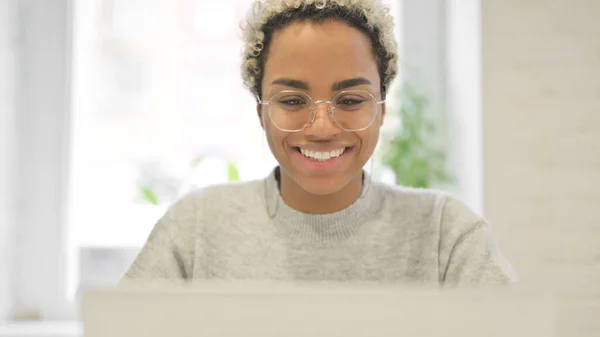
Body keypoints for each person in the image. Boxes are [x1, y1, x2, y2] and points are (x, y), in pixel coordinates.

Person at [122, 0, 516, 286]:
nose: (323, 127)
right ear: (260, 111)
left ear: (380, 110)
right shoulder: (195, 230)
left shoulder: (448, 237)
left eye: (350, 101)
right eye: (293, 101)